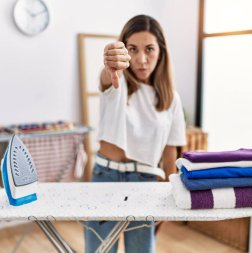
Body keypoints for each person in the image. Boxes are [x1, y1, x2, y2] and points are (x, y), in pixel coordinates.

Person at [84, 14, 186, 253]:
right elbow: (105, 78)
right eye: (133, 49)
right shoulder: (116, 82)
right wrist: (111, 64)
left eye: (149, 49)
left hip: (147, 184)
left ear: (161, 51)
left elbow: (170, 156)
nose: (141, 59)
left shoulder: (171, 98)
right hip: (105, 179)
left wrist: (168, 201)